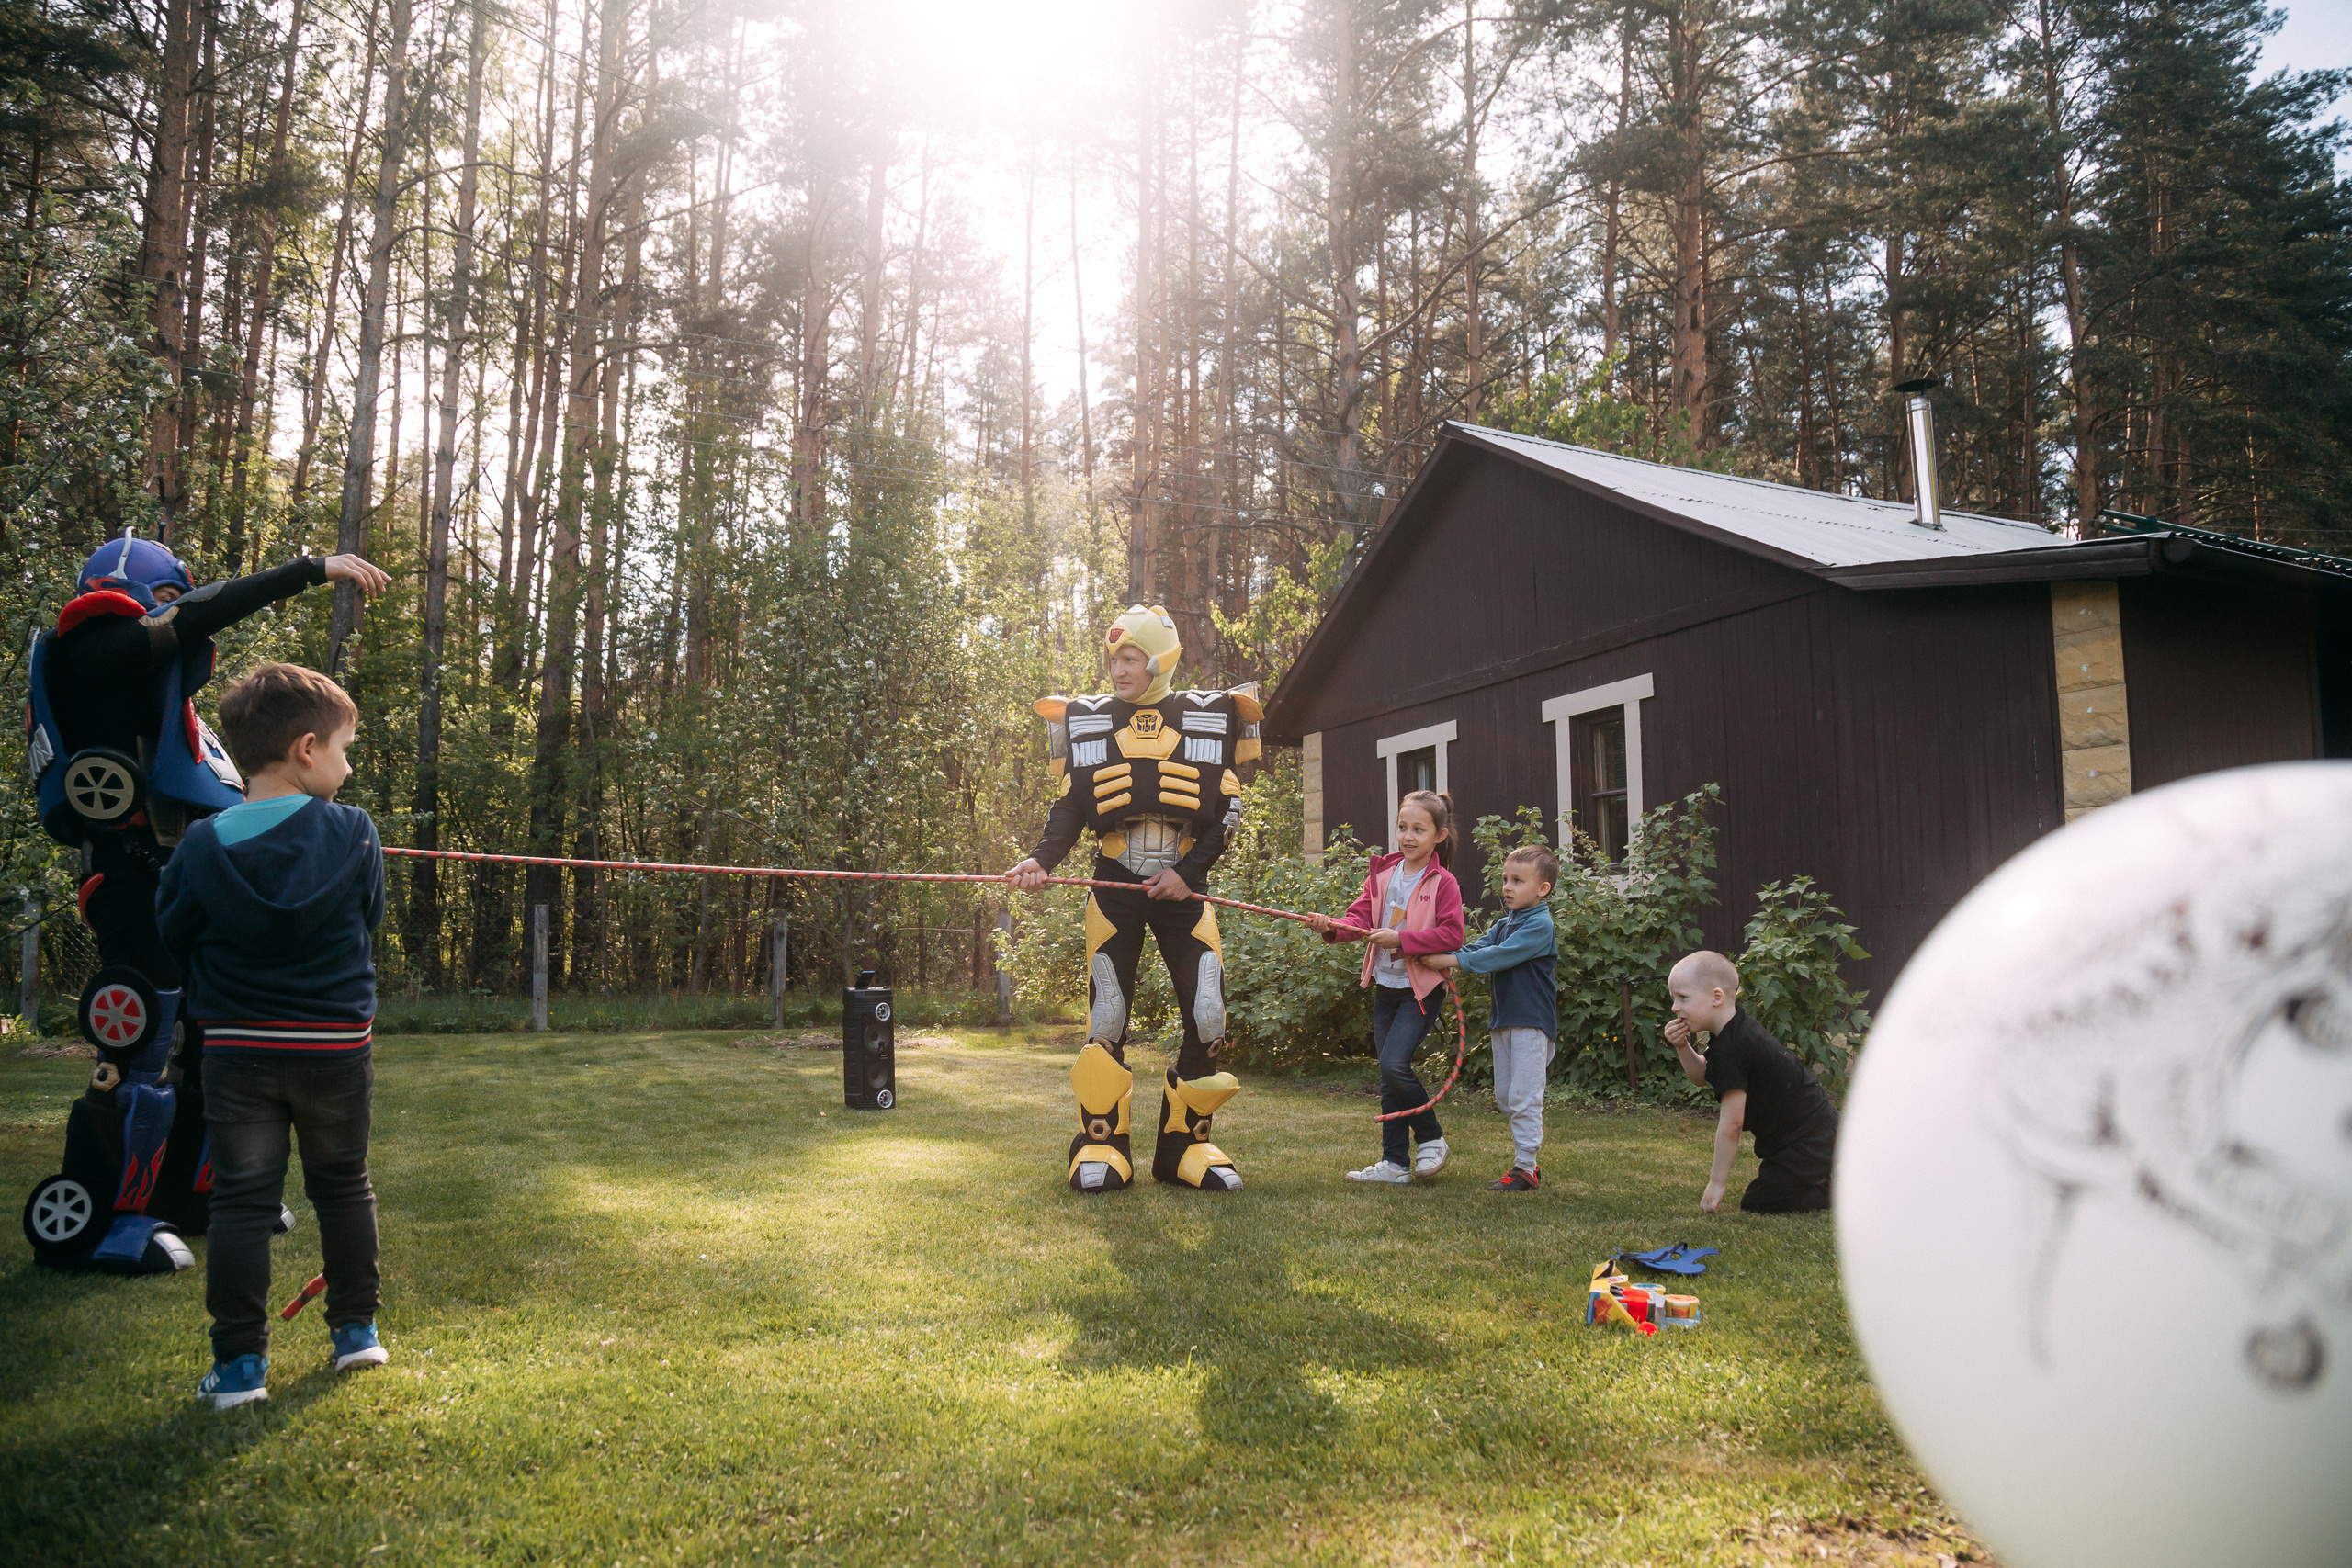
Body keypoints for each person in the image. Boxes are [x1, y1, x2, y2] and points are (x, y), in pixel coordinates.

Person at [17, 537, 386, 1276]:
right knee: (140, 1044)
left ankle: (189, 1192)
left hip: (169, 877)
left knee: (196, 1040)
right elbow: (199, 614)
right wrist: (312, 569)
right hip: (130, 878)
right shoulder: (99, 650)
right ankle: (99, 1220)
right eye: (170, 601)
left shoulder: (147, 689)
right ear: (151, 595)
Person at [158, 663, 388, 1408]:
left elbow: (174, 934)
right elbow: (370, 919)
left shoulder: (200, 846)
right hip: (335, 1048)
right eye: (346, 749)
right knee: (342, 1184)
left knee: (242, 1202)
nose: (348, 767)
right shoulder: (354, 833)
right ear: (307, 747)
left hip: (237, 1048)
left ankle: (238, 1371)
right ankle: (356, 1332)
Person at [1007, 605, 1262, 1193]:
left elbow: (1228, 813)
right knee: (1107, 1016)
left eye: (1131, 658)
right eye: (1114, 659)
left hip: (1184, 888)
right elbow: (1071, 807)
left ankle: (1186, 1147)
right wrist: (1040, 861)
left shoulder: (1209, 716)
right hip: (1114, 884)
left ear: (1159, 661)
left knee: (1207, 1011)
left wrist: (1188, 874)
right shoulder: (1088, 721)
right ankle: (1101, 1142)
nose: (1119, 669)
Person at [1309, 790, 1466, 1184]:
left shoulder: (1442, 882)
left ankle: (1431, 1137)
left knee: (1396, 1065)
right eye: (1402, 827)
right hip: (1386, 985)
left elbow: (1452, 934)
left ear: (1439, 836)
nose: (1408, 836)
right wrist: (1332, 926)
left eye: (1418, 829)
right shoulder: (1382, 873)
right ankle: (1394, 1164)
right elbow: (1359, 917)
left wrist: (1404, 940)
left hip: (1423, 989)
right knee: (1387, 1072)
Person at [1663, 950, 1839, 1213]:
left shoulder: (1734, 1047)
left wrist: (1716, 1182)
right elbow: (1702, 1076)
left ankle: (1841, 1192)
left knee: (1761, 1202)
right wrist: (1681, 1046)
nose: (1675, 1007)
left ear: (1717, 997)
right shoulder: (1734, 1031)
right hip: (1803, 1136)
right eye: (1674, 999)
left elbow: (1732, 1125)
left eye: (1683, 998)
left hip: (1810, 1139)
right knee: (1769, 1190)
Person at [1428, 843, 1558, 1191]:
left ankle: (1525, 1169)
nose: (1507, 887)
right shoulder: (1506, 923)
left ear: (1543, 889)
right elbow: (1479, 948)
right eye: (1505, 879)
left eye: (1518, 880)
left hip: (1532, 1022)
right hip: (1505, 1020)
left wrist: (1452, 962)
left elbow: (1501, 955)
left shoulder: (1539, 926)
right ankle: (1528, 1163)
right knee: (1506, 1097)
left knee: (1524, 1097)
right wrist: (1439, 952)